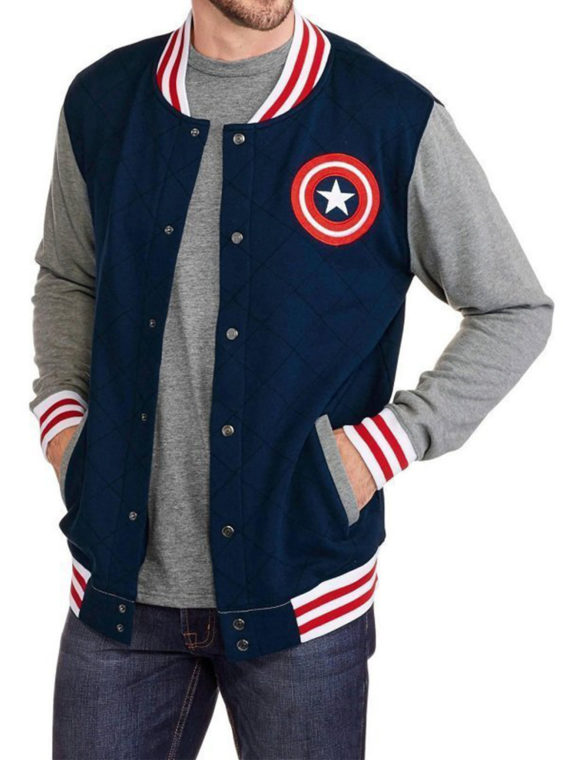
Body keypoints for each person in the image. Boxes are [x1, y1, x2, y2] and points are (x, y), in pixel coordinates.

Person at [30, 0, 554, 757]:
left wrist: (379, 450)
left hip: (304, 594)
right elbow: (68, 274)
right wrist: (64, 424)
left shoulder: (390, 116)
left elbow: (513, 308)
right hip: (117, 589)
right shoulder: (102, 101)